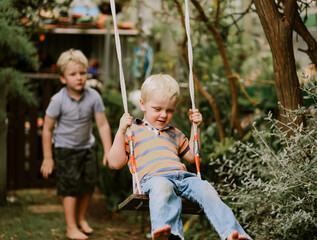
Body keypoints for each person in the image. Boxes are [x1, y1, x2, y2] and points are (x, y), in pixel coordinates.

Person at [108, 74, 252, 240]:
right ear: (143, 104)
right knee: (163, 187)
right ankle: (169, 234)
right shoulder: (132, 131)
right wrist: (121, 131)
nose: (163, 115)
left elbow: (192, 155)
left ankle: (233, 235)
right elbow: (115, 163)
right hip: (154, 179)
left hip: (183, 178)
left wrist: (195, 127)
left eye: (169, 110)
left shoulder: (174, 133)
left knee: (206, 188)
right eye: (157, 109)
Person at [40, 49, 112, 240]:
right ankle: (71, 227)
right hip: (65, 150)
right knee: (70, 187)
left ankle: (80, 219)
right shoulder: (58, 100)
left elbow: (103, 124)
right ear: (63, 78)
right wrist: (48, 158)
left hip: (87, 147)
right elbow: (47, 129)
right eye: (73, 74)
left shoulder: (93, 97)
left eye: (82, 73)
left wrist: (108, 151)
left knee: (88, 185)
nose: (79, 78)